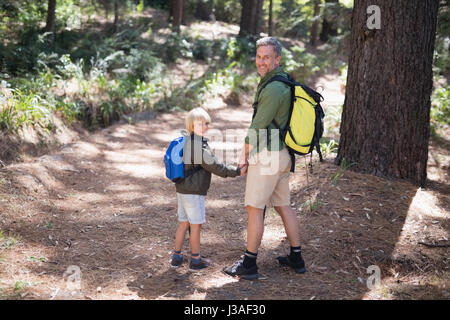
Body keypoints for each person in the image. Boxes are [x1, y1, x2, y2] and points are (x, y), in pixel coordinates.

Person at [223, 37, 306, 280]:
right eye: (259, 57)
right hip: (282, 156)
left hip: (268, 156)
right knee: (283, 206)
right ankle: (296, 257)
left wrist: (243, 156)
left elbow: (257, 127)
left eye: (266, 57)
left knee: (254, 208)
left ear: (277, 59)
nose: (261, 62)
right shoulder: (284, 82)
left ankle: (249, 264)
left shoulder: (272, 89)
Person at [171, 107, 244, 272]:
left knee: (183, 222)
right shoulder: (198, 146)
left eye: (207, 123)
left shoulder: (187, 141)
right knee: (195, 225)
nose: (205, 126)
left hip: (182, 190)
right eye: (200, 124)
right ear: (191, 126)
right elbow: (215, 166)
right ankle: (195, 260)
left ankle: (176, 256)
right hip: (193, 192)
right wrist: (237, 171)